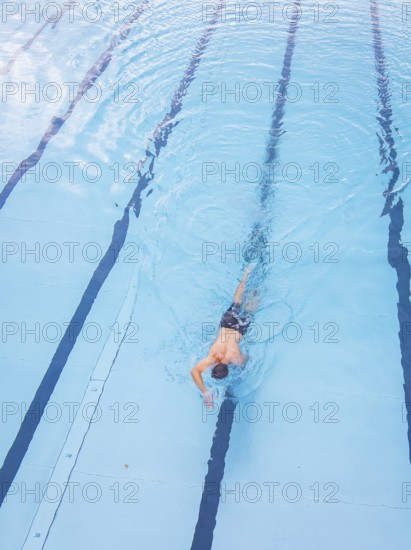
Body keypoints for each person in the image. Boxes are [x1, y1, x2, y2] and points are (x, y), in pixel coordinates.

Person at [191, 265, 258, 408]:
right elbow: (194, 371)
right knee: (237, 299)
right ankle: (246, 274)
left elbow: (247, 358)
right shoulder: (213, 356)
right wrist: (204, 391)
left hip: (240, 327)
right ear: (215, 365)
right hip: (227, 321)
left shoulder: (235, 359)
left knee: (252, 302)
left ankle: (257, 286)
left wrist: (241, 364)